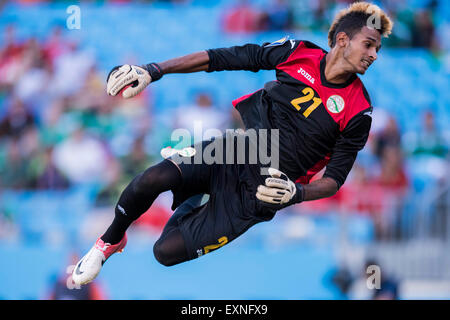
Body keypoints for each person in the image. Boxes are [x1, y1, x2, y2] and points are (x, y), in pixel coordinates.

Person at [72, 2, 393, 285]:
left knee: (164, 252)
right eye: (369, 44)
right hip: (240, 149)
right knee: (154, 178)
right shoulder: (298, 53)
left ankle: (194, 191)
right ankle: (108, 242)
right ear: (342, 40)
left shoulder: (359, 111)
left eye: (376, 48)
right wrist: (154, 69)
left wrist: (297, 193)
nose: (373, 55)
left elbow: (334, 181)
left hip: (261, 193)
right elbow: (224, 57)